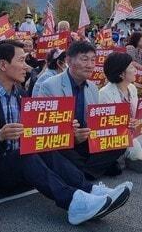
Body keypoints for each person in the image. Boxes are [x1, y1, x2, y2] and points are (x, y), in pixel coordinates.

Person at [0, 40, 131, 225]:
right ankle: (73, 202)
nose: (27, 67)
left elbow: (36, 134)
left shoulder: (20, 94)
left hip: (23, 166)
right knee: (23, 155)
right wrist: (0, 135)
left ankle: (90, 190)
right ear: (3, 65)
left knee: (44, 148)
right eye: (21, 60)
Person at [38, 41, 127, 179]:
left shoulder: (92, 87)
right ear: (68, 60)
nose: (90, 65)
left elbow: (94, 123)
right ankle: (90, 170)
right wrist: (72, 137)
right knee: (57, 152)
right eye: (84, 59)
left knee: (120, 142)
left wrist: (122, 125)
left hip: (85, 141)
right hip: (63, 144)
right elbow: (44, 129)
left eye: (93, 60)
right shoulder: (49, 86)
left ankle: (81, 172)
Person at [98, 52, 142, 173]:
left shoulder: (132, 88)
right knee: (136, 148)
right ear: (121, 73)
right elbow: (104, 127)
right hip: (118, 138)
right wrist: (125, 123)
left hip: (134, 133)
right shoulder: (104, 94)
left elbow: (138, 115)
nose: (135, 70)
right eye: (131, 67)